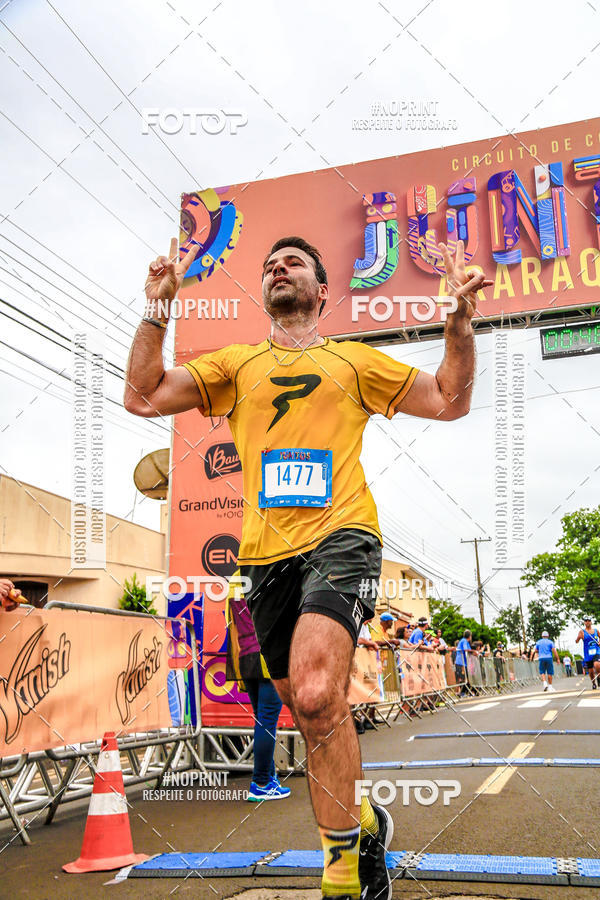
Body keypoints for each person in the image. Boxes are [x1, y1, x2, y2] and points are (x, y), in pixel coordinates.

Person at [124, 234, 488, 900]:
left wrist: (459, 324)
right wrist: (155, 309)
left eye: (293, 264)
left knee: (321, 693)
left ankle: (344, 874)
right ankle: (369, 820)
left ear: (322, 291)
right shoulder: (234, 364)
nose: (277, 269)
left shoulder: (353, 361)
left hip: (343, 536)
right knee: (305, 709)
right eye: (269, 266)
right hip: (264, 558)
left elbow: (449, 398)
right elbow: (143, 396)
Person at [225, 574, 290, 801]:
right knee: (267, 721)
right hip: (268, 658)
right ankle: (261, 782)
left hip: (245, 656)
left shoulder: (235, 580)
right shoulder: (267, 571)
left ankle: (268, 779)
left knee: (261, 720)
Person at [576, 616, 600, 689]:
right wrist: (579, 638)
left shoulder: (596, 631)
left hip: (596, 651)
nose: (587, 622)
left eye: (589, 620)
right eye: (586, 620)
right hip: (588, 653)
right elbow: (576, 641)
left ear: (591, 622)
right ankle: (593, 683)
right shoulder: (582, 632)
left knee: (597, 665)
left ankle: (599, 677)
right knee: (591, 671)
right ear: (584, 622)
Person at [455, 629, 472, 697]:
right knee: (463, 678)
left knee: (466, 678)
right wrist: (473, 651)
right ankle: (461, 693)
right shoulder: (464, 641)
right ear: (469, 636)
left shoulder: (466, 642)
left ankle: (464, 692)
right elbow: (466, 649)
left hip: (464, 662)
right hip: (460, 662)